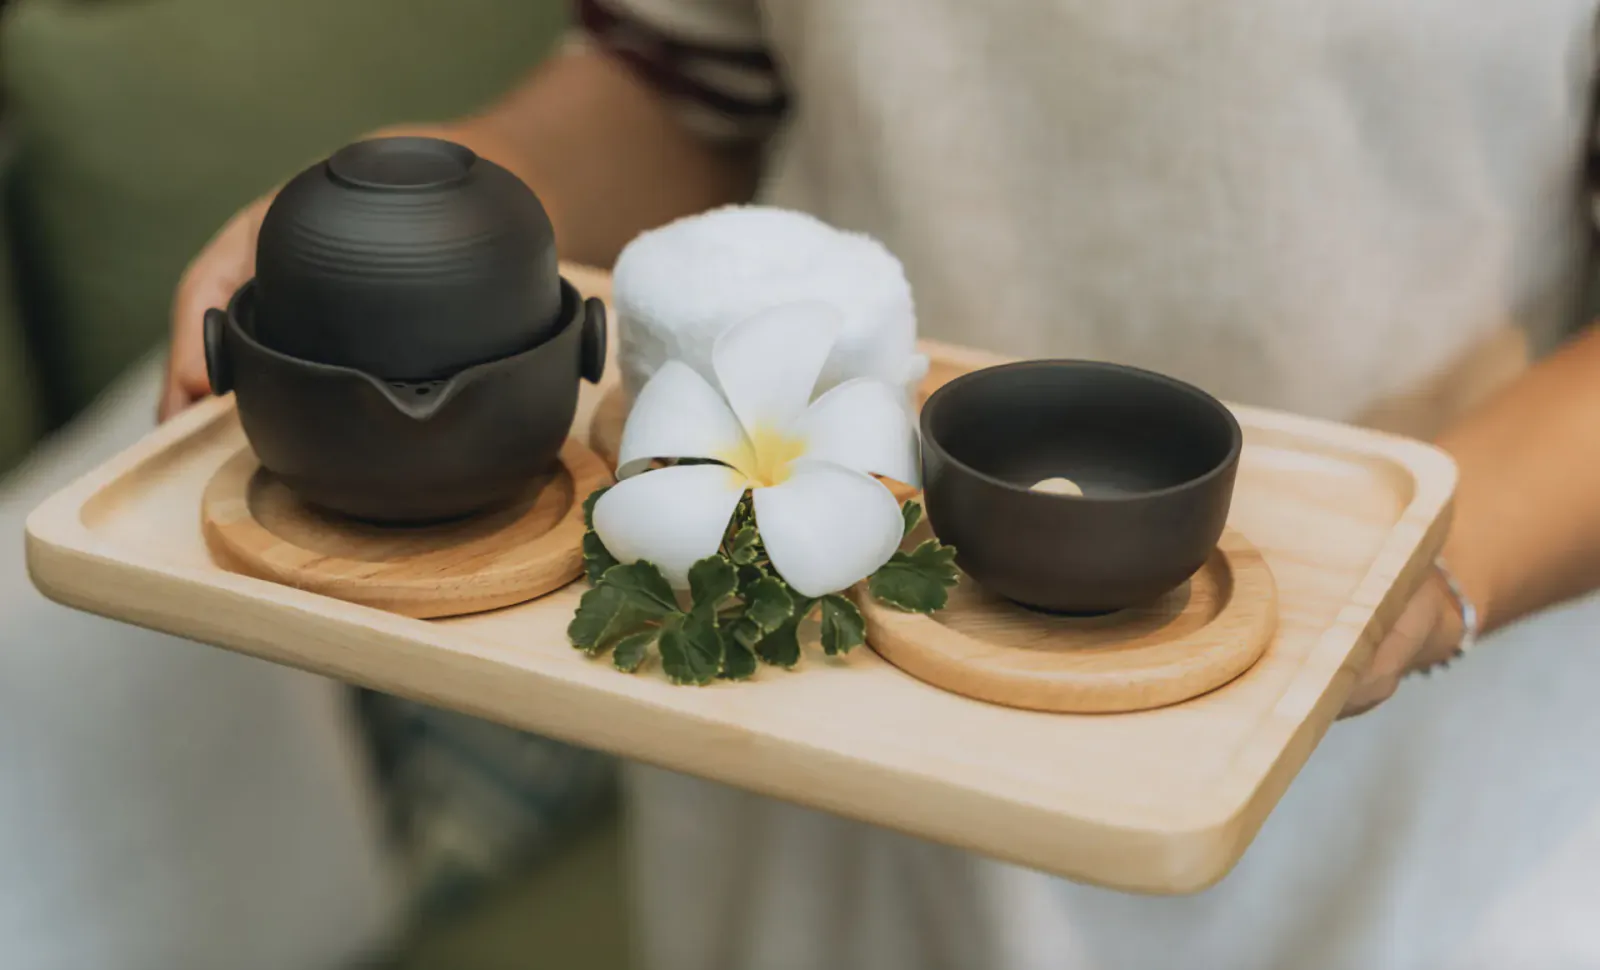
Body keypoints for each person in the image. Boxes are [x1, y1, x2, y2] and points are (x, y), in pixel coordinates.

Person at [165, 1, 1600, 966]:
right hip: (839, 702)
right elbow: (690, 74)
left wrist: (1427, 552)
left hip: (1397, 760)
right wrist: (426, 234)